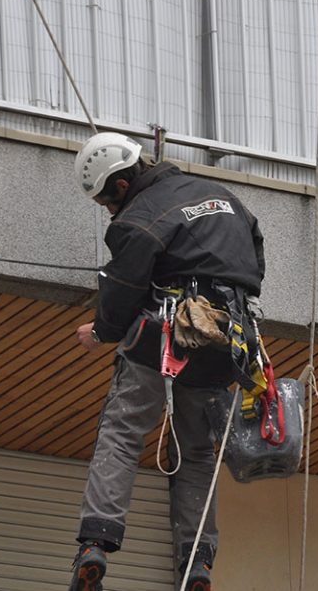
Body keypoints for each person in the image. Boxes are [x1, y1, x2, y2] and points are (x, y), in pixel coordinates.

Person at [68, 132, 265, 591]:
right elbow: (253, 256)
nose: (108, 211)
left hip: (166, 335)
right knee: (196, 450)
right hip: (225, 341)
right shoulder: (224, 199)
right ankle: (197, 562)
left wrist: (100, 331)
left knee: (121, 430)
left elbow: (122, 290)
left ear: (119, 185)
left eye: (104, 201)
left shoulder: (135, 220)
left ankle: (96, 542)